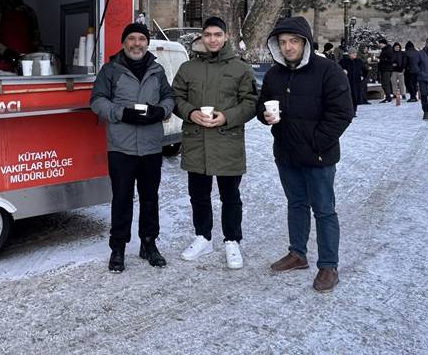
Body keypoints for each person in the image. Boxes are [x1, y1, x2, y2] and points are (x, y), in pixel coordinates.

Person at [256, 16, 353, 293]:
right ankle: (297, 254)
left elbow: (342, 113)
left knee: (324, 210)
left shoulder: (328, 71)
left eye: (293, 41)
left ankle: (328, 265)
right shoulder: (275, 74)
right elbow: (262, 104)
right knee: (296, 204)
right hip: (286, 153)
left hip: (318, 156)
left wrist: (316, 142)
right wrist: (264, 116)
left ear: (305, 43)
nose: (288, 47)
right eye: (283, 42)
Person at [171, 17, 258, 269]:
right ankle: (203, 237)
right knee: (198, 195)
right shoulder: (189, 68)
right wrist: (190, 112)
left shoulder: (240, 68)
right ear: (202, 37)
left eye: (217, 34)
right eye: (208, 34)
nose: (212, 39)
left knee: (230, 196)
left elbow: (251, 102)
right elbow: (176, 96)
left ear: (226, 36)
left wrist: (227, 117)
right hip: (196, 141)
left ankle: (232, 240)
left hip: (227, 141)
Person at [90, 23, 174, 273]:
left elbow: (169, 97)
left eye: (141, 39)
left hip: (150, 146)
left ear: (147, 43)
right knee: (122, 199)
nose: (137, 44)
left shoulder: (157, 70)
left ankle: (149, 243)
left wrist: (161, 111)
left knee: (150, 198)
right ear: (124, 42)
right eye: (132, 39)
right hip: (121, 147)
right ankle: (118, 248)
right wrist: (121, 113)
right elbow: (96, 101)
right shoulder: (110, 70)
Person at [340, 50, 365, 117]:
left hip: (356, 81)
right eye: (352, 53)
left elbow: (364, 69)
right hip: (347, 81)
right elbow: (338, 68)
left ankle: (353, 111)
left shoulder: (359, 61)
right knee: (348, 96)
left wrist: (362, 76)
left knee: (355, 96)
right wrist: (343, 71)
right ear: (349, 54)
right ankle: (348, 111)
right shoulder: (344, 61)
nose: (354, 54)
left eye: (355, 53)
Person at [377, 38, 393, 103]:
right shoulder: (384, 50)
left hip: (387, 69)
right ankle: (387, 96)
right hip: (384, 69)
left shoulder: (388, 50)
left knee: (385, 83)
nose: (379, 44)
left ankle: (388, 97)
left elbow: (390, 60)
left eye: (380, 43)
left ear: (384, 44)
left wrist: (380, 60)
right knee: (384, 83)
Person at [390, 42, 407, 106]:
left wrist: (403, 68)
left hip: (400, 70)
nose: (397, 48)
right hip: (393, 70)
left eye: (398, 47)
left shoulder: (402, 53)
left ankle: (403, 94)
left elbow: (404, 61)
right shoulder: (391, 53)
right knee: (393, 82)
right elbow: (389, 61)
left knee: (401, 83)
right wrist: (392, 64)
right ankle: (395, 94)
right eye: (396, 47)